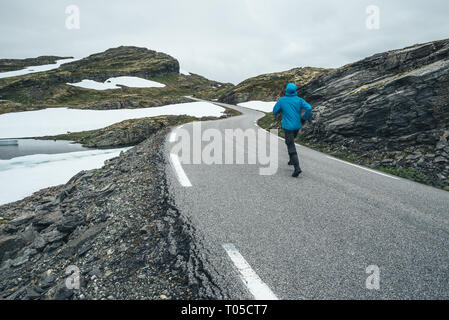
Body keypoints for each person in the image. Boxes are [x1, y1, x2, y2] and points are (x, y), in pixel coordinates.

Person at [273, 83, 312, 177]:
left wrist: (281, 110)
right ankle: (291, 160)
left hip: (288, 127)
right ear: (295, 91)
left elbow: (274, 111)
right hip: (297, 126)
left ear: (286, 90)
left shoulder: (282, 100)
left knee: (290, 145)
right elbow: (309, 108)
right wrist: (304, 118)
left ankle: (297, 168)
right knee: (289, 142)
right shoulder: (299, 100)